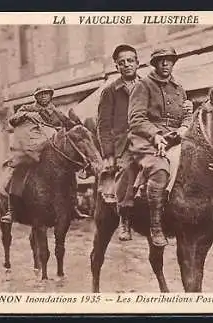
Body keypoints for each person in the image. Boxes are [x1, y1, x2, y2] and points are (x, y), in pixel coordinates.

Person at [125, 46, 193, 247]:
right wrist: (155, 136)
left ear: (173, 62)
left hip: (175, 137)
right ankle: (155, 225)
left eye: (169, 60)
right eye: (161, 60)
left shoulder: (179, 88)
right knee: (160, 169)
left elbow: (187, 114)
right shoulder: (144, 85)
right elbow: (136, 119)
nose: (165, 64)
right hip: (145, 138)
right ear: (155, 63)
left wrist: (184, 127)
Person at [0, 86, 83, 223]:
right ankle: (11, 209)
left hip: (51, 153)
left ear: (51, 96)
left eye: (47, 94)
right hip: (30, 149)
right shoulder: (27, 108)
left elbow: (69, 126)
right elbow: (13, 120)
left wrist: (76, 123)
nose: (44, 96)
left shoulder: (56, 112)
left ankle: (73, 206)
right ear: (36, 97)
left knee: (69, 173)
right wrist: (26, 115)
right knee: (19, 171)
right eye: (41, 94)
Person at [97, 44, 141, 241]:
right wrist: (108, 154)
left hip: (148, 140)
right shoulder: (110, 91)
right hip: (124, 145)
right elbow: (103, 126)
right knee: (125, 171)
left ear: (137, 63)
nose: (127, 65)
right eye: (122, 62)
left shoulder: (148, 86)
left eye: (130, 61)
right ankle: (125, 218)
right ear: (117, 67)